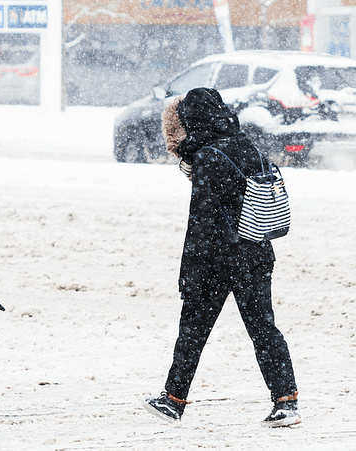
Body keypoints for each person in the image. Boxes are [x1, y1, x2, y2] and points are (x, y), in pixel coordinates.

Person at [142, 87, 300, 428]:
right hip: (256, 253)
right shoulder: (249, 147)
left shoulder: (209, 157)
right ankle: (286, 402)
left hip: (218, 261)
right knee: (264, 330)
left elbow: (201, 222)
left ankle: (173, 401)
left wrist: (189, 272)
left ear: (193, 120)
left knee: (192, 332)